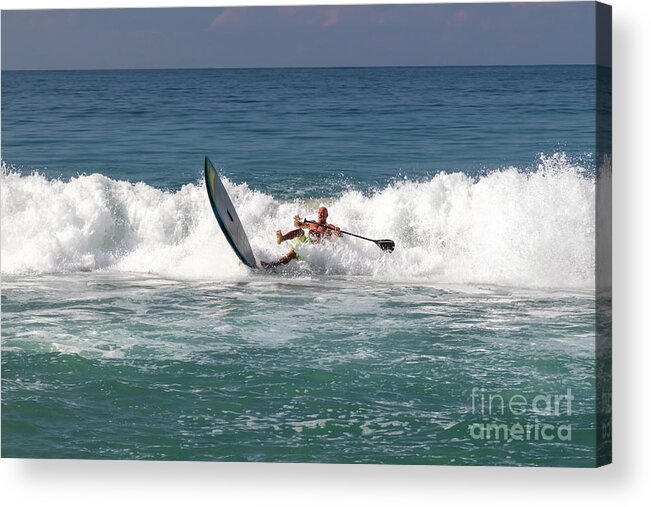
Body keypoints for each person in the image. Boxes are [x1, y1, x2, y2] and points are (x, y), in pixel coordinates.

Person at [261, 206, 342, 268]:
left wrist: (337, 231)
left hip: (312, 249)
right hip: (305, 242)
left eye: (322, 213)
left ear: (326, 215)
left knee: (293, 253)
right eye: (319, 212)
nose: (320, 214)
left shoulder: (328, 226)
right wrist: (296, 221)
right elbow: (298, 225)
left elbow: (338, 234)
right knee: (301, 231)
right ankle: (282, 238)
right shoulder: (312, 223)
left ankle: (272, 265)